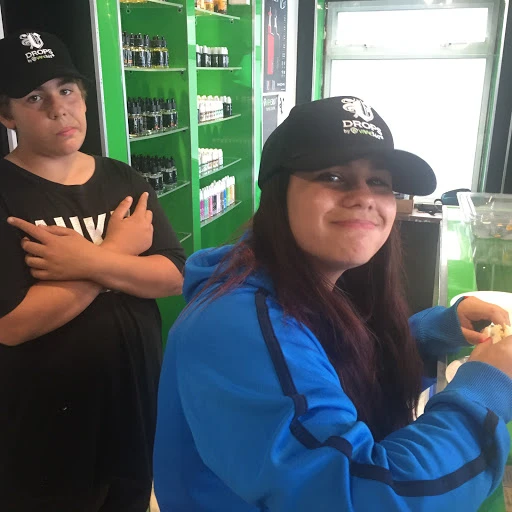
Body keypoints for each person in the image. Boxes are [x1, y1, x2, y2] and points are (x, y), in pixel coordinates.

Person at [153, 96, 512, 511]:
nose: (364, 197)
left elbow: (325, 360)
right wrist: (483, 393)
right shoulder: (234, 327)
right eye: (333, 176)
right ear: (278, 191)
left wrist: (433, 332)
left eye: (379, 181)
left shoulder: (309, 279)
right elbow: (361, 497)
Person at [0, 30, 186, 511]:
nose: (58, 109)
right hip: (47, 431)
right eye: (34, 97)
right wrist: (120, 251)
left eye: (66, 90)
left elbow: (173, 275)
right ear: (7, 115)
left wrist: (90, 261)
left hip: (136, 406)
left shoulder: (123, 177)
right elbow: (12, 323)